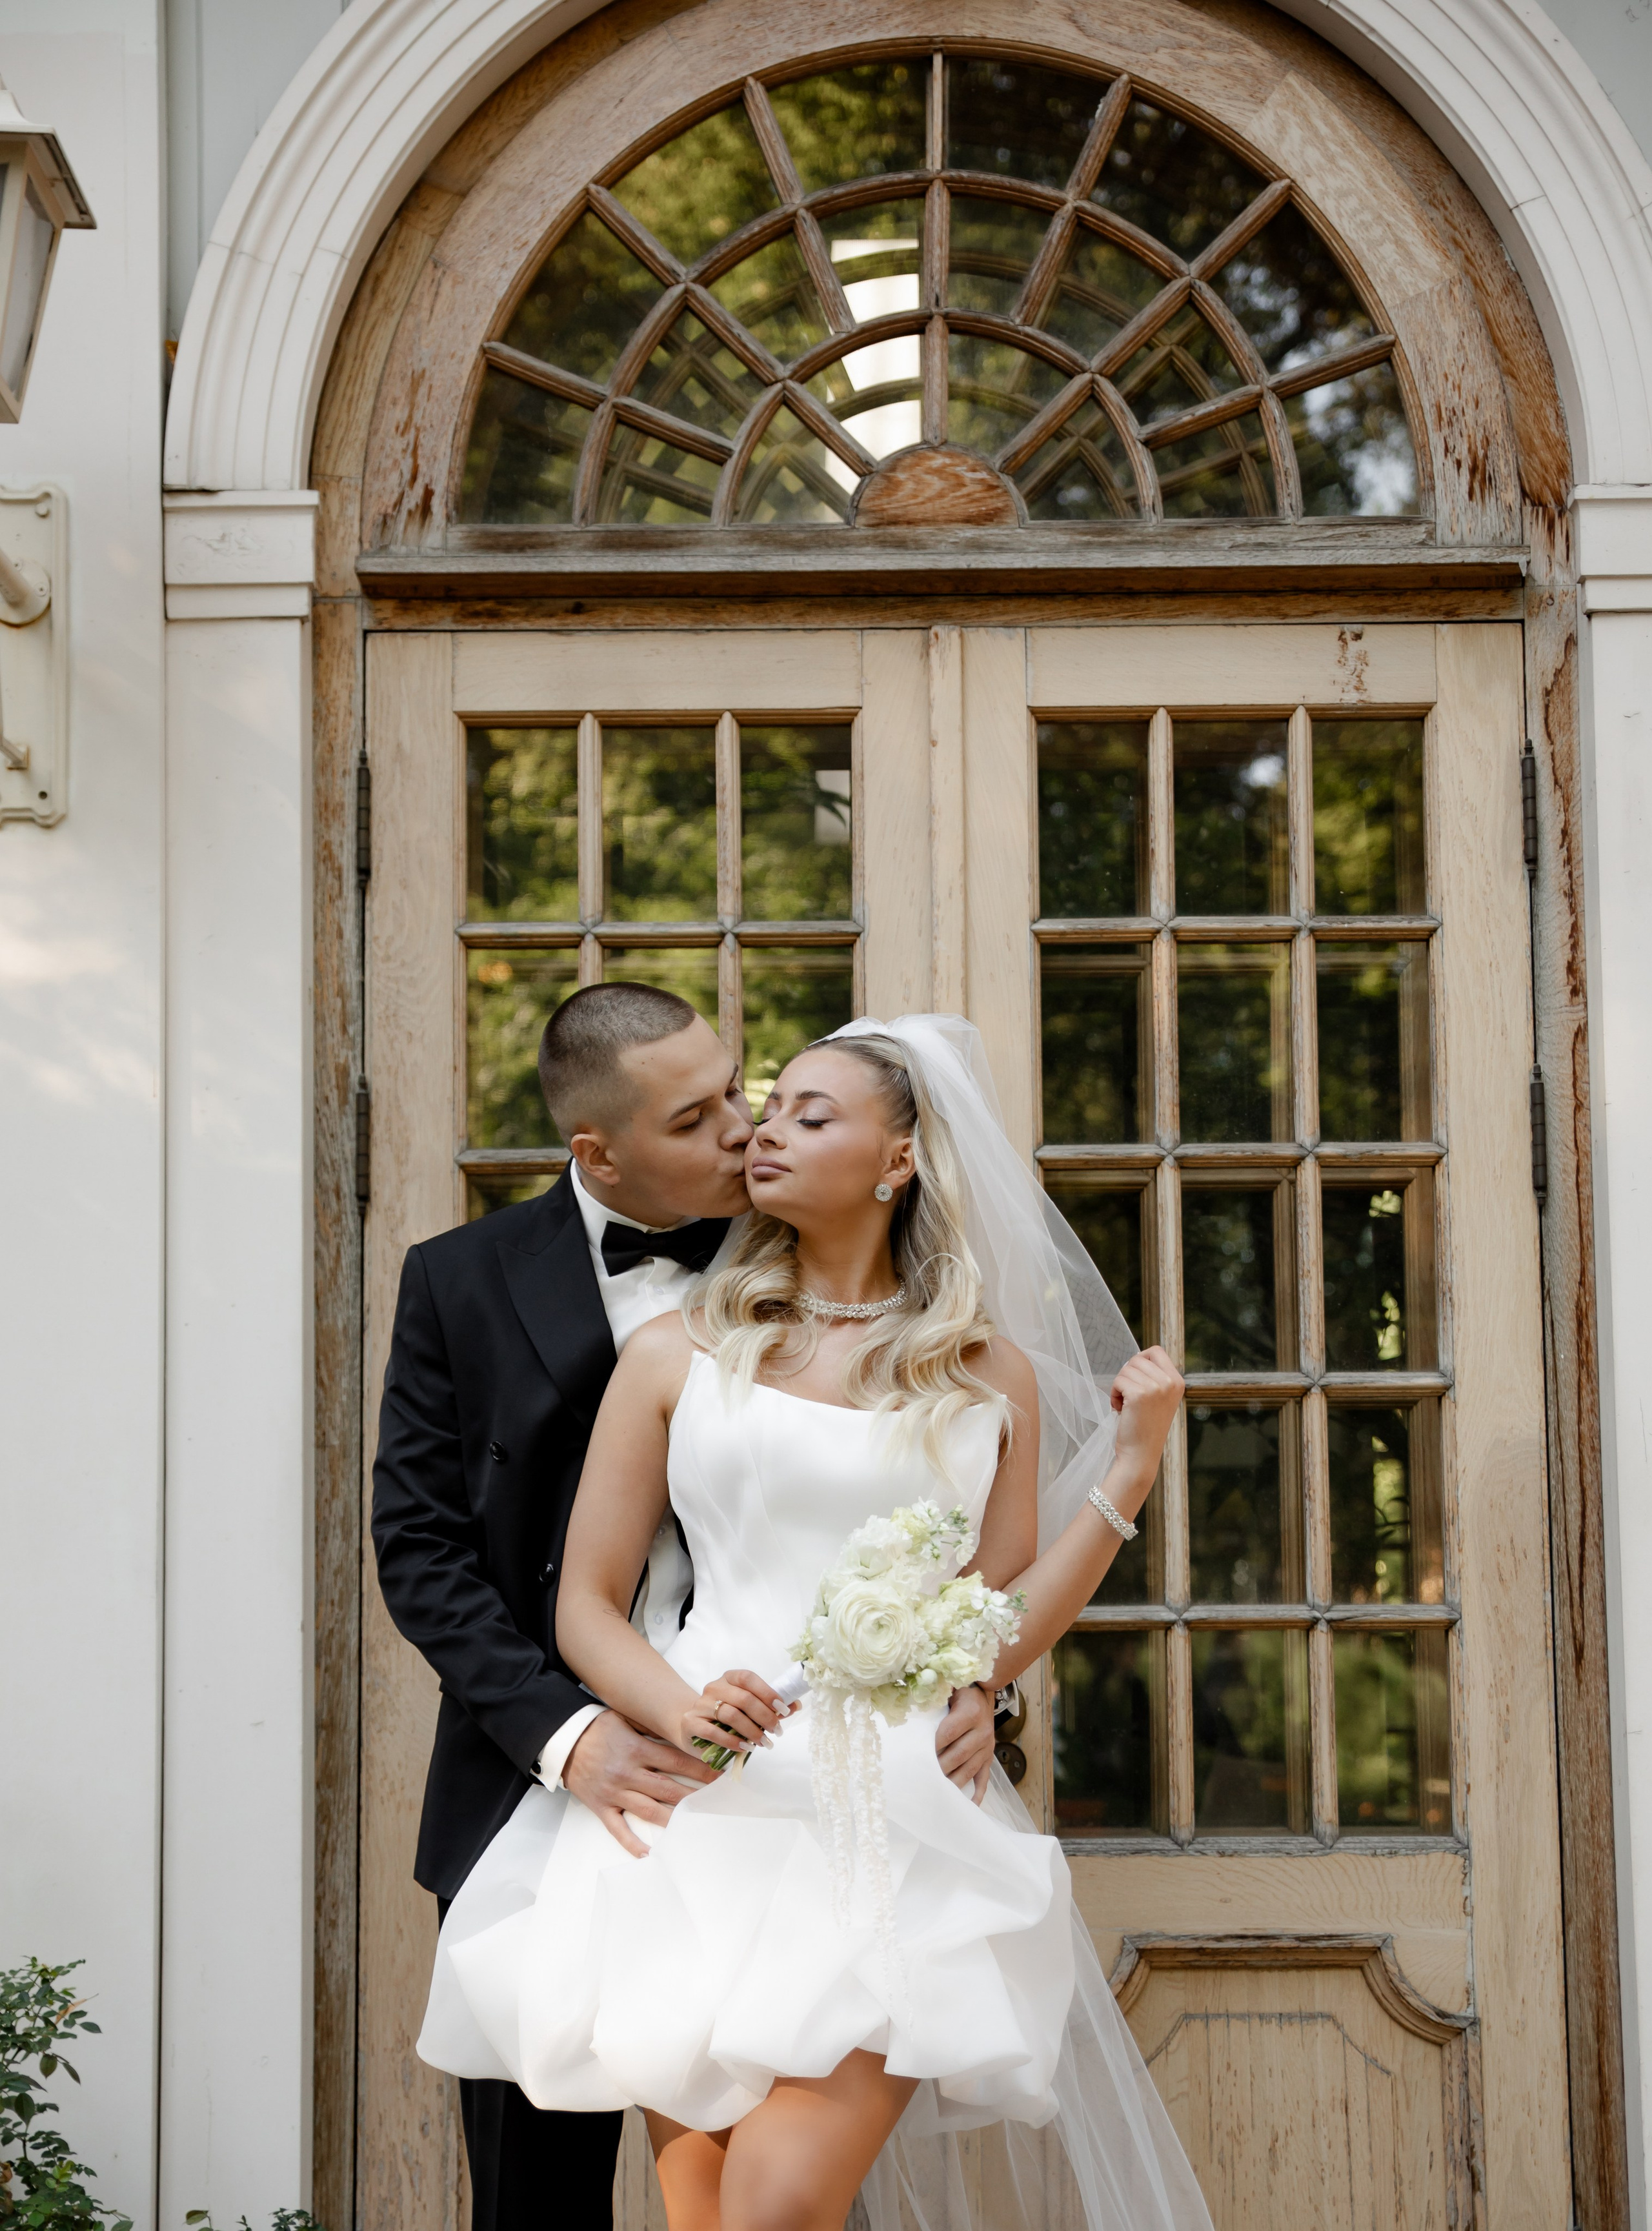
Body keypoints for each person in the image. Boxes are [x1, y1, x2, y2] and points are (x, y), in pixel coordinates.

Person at [417, 1015, 1214, 2231]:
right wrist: (675, 1706)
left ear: (899, 1160)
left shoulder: (986, 1374)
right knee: (706, 2210)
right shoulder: (675, 1349)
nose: (760, 1130)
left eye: (803, 1111)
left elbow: (986, 1628)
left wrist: (1130, 1474)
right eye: (762, 1108)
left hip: (880, 1818)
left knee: (777, 2205)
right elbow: (581, 1598)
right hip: (695, 1812)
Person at [371, 987, 998, 2231]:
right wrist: (576, 1739)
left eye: (742, 1092)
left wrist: (983, 1684)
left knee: (762, 2193)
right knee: (535, 2193)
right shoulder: (459, 1280)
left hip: (791, 1794)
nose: (742, 1131)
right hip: (542, 1778)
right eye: (697, 1114)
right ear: (598, 1151)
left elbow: (947, 1516)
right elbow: (421, 1550)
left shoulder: (812, 1250)